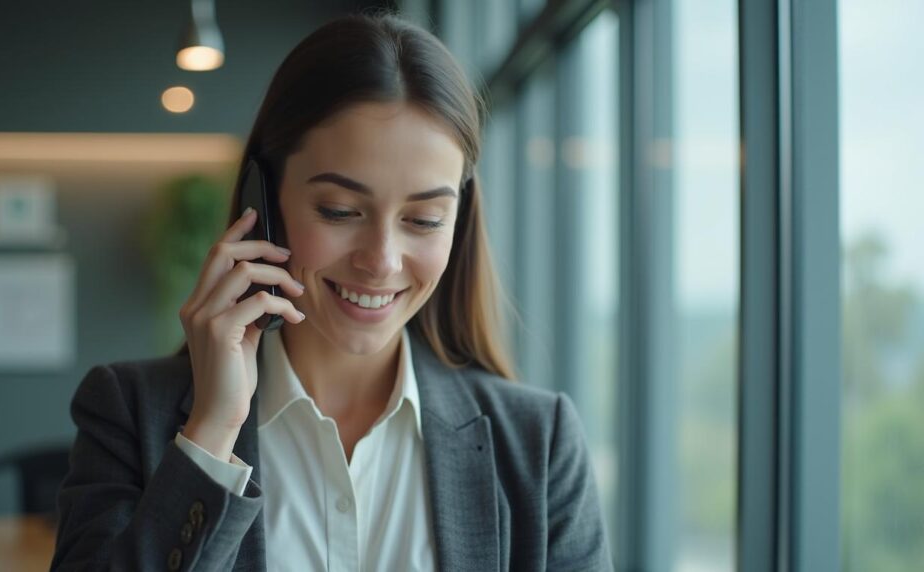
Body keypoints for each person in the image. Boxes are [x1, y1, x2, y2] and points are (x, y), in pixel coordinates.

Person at [51, 11, 612, 572]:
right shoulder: (127, 411)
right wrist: (212, 431)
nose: (382, 261)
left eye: (423, 219)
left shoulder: (539, 444)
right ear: (262, 202)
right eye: (340, 211)